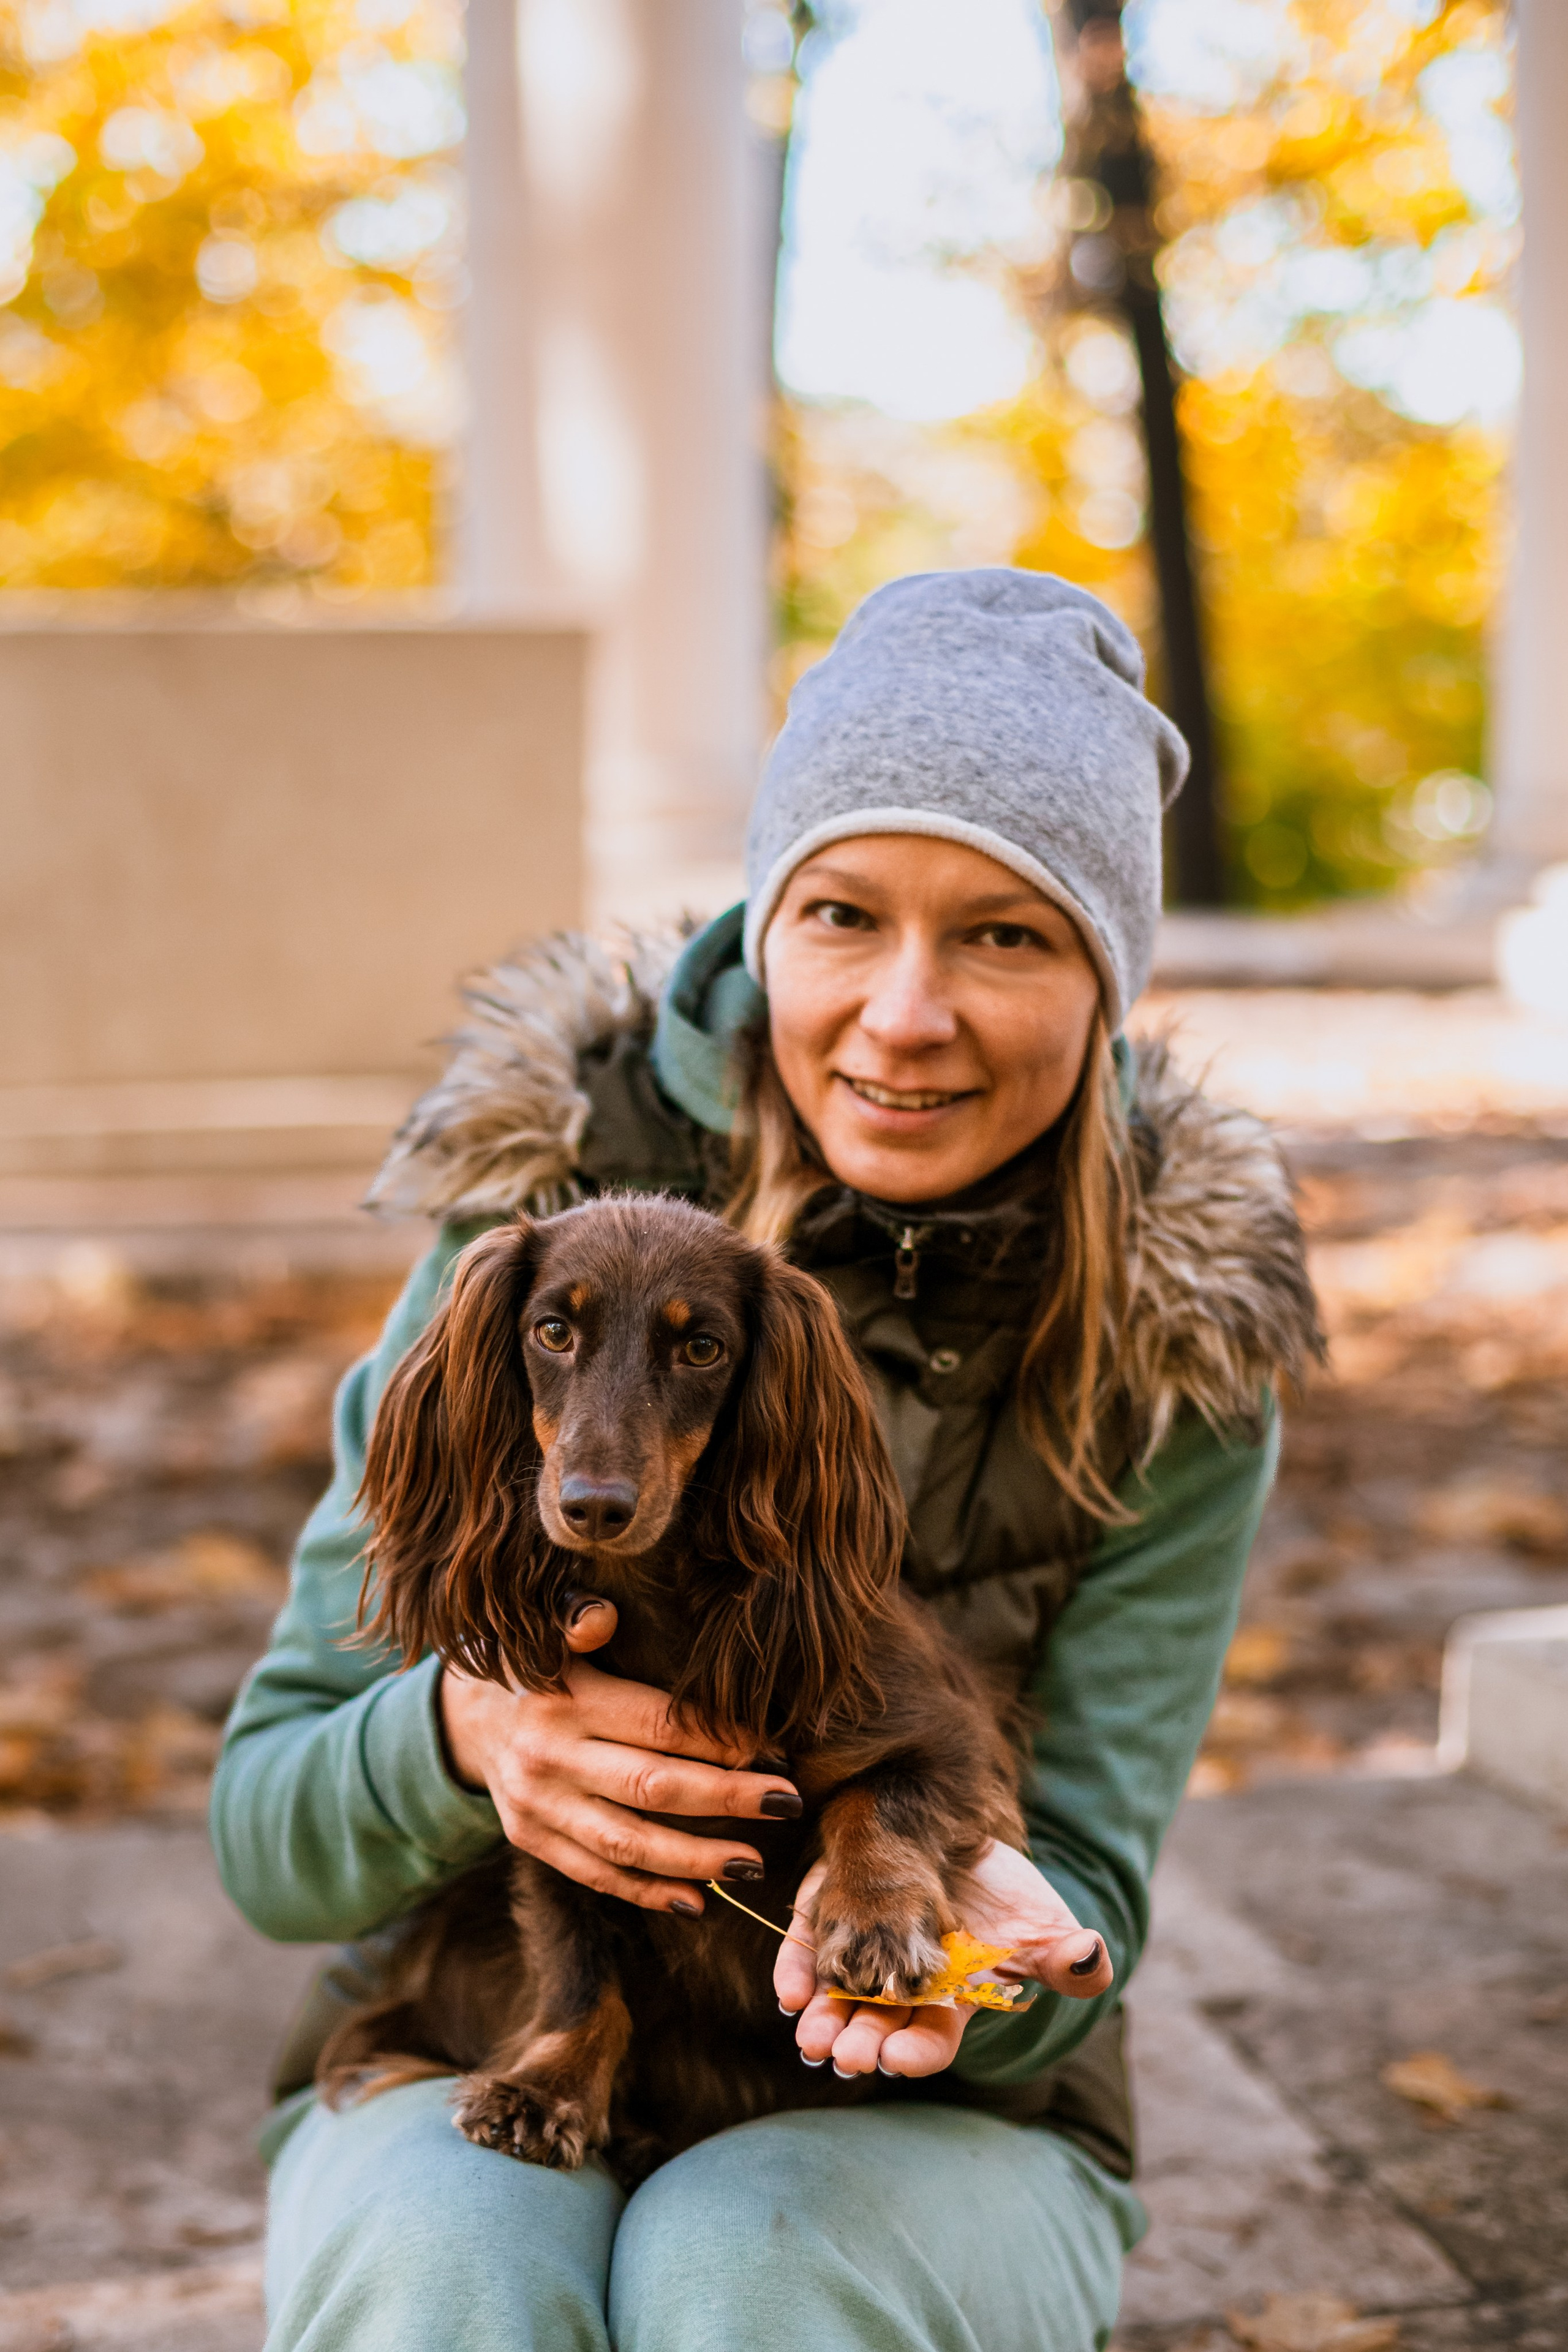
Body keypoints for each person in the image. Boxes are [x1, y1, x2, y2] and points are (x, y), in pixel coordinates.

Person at [213, 569, 1320, 2352]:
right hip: (476, 2021)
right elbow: (267, 1841)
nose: (903, 1014)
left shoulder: (1177, 1349)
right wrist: (462, 1734)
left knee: (747, 2264)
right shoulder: (524, 1248)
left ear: (1105, 979)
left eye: (1009, 934)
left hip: (930, 2110)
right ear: (761, 923)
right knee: (454, 2264)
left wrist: (973, 1960)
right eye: (842, 914)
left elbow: (1085, 1895)